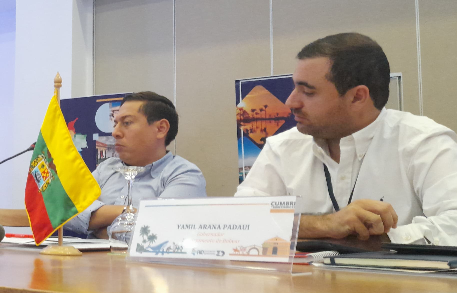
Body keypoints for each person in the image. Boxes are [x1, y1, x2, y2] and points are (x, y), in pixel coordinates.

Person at [235, 33, 457, 245]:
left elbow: (453, 226)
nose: (291, 102)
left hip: (397, 273)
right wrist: (326, 225)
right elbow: (237, 221)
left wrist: (377, 238)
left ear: (357, 97)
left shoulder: (424, 143)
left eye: (308, 92)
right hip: (304, 274)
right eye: (295, 88)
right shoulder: (282, 148)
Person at [64, 92, 207, 238]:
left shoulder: (184, 174)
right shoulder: (106, 168)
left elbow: (156, 235)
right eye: (115, 124)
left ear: (161, 129)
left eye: (126, 123)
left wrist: (99, 227)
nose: (115, 132)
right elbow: (64, 210)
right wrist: (128, 212)